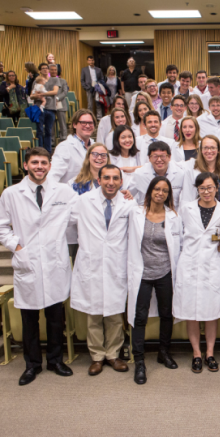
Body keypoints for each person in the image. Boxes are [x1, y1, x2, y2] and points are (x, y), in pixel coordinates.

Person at [0, 147, 77, 385]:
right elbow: (2, 227)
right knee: (29, 319)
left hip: (54, 261)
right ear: (25, 165)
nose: (40, 166)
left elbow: (82, 213)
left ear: (50, 166)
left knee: (56, 317)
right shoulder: (12, 193)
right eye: (35, 162)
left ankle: (55, 360)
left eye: (44, 162)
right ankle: (32, 365)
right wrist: (18, 248)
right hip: (28, 261)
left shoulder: (63, 191)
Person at [68, 164, 134, 376]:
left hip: (115, 265)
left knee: (115, 314)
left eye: (115, 178)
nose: (111, 182)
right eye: (106, 178)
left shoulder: (128, 204)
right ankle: (96, 356)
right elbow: (62, 222)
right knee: (94, 315)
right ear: (99, 179)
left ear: (121, 181)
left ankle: (113, 355)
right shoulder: (82, 201)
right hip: (92, 265)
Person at [127, 177, 181, 384]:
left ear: (169, 194)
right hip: (141, 273)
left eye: (165, 190)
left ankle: (163, 352)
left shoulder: (173, 216)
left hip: (165, 272)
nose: (160, 193)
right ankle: (139, 360)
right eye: (157, 189)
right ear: (150, 191)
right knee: (139, 316)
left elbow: (180, 244)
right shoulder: (136, 213)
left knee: (167, 314)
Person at [174, 172, 220, 374]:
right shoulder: (186, 209)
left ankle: (210, 353)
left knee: (211, 313)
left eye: (210, 188)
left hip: (213, 266)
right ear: (197, 189)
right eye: (202, 188)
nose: (206, 192)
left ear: (217, 188)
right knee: (192, 314)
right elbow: (179, 237)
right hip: (188, 265)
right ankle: (197, 353)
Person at [180, 135, 220, 206]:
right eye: (205, 148)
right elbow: (187, 198)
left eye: (212, 148)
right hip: (196, 212)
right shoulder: (191, 168)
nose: (209, 151)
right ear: (201, 150)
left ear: (218, 150)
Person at [129, 141, 183, 209]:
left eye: (163, 156)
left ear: (169, 157)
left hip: (171, 214)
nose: (159, 160)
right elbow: (129, 194)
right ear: (149, 158)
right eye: (155, 156)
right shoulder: (139, 174)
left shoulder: (180, 174)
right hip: (146, 213)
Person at [48, 109, 95, 183]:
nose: (88, 125)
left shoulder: (96, 147)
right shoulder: (64, 147)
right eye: (83, 122)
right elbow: (53, 176)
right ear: (74, 125)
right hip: (70, 193)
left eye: (90, 123)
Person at [30, 64, 59, 153]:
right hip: (39, 108)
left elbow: (55, 92)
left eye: (47, 68)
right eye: (43, 68)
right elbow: (31, 96)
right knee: (39, 130)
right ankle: (40, 150)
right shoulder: (36, 81)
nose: (45, 70)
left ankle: (48, 151)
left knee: (49, 131)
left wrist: (42, 94)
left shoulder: (55, 79)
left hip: (50, 108)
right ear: (40, 70)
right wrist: (37, 96)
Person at [53, 65, 69, 141]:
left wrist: (57, 98)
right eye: (52, 70)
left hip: (60, 103)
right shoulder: (47, 81)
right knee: (51, 124)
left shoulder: (63, 81)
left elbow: (65, 92)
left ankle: (64, 138)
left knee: (62, 123)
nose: (53, 71)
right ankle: (52, 139)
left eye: (55, 70)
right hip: (50, 104)